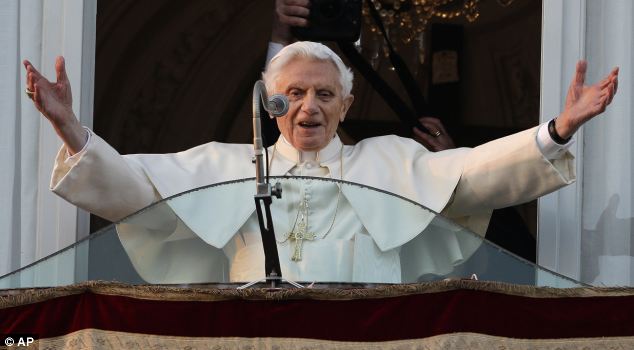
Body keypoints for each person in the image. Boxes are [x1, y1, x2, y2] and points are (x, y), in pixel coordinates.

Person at [23, 40, 617, 284]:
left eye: (325, 94)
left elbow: (471, 175)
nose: (310, 107)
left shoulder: (388, 161)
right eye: (295, 94)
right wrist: (70, 128)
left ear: (346, 104)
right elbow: (138, 189)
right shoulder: (226, 164)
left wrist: (558, 129)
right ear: (269, 102)